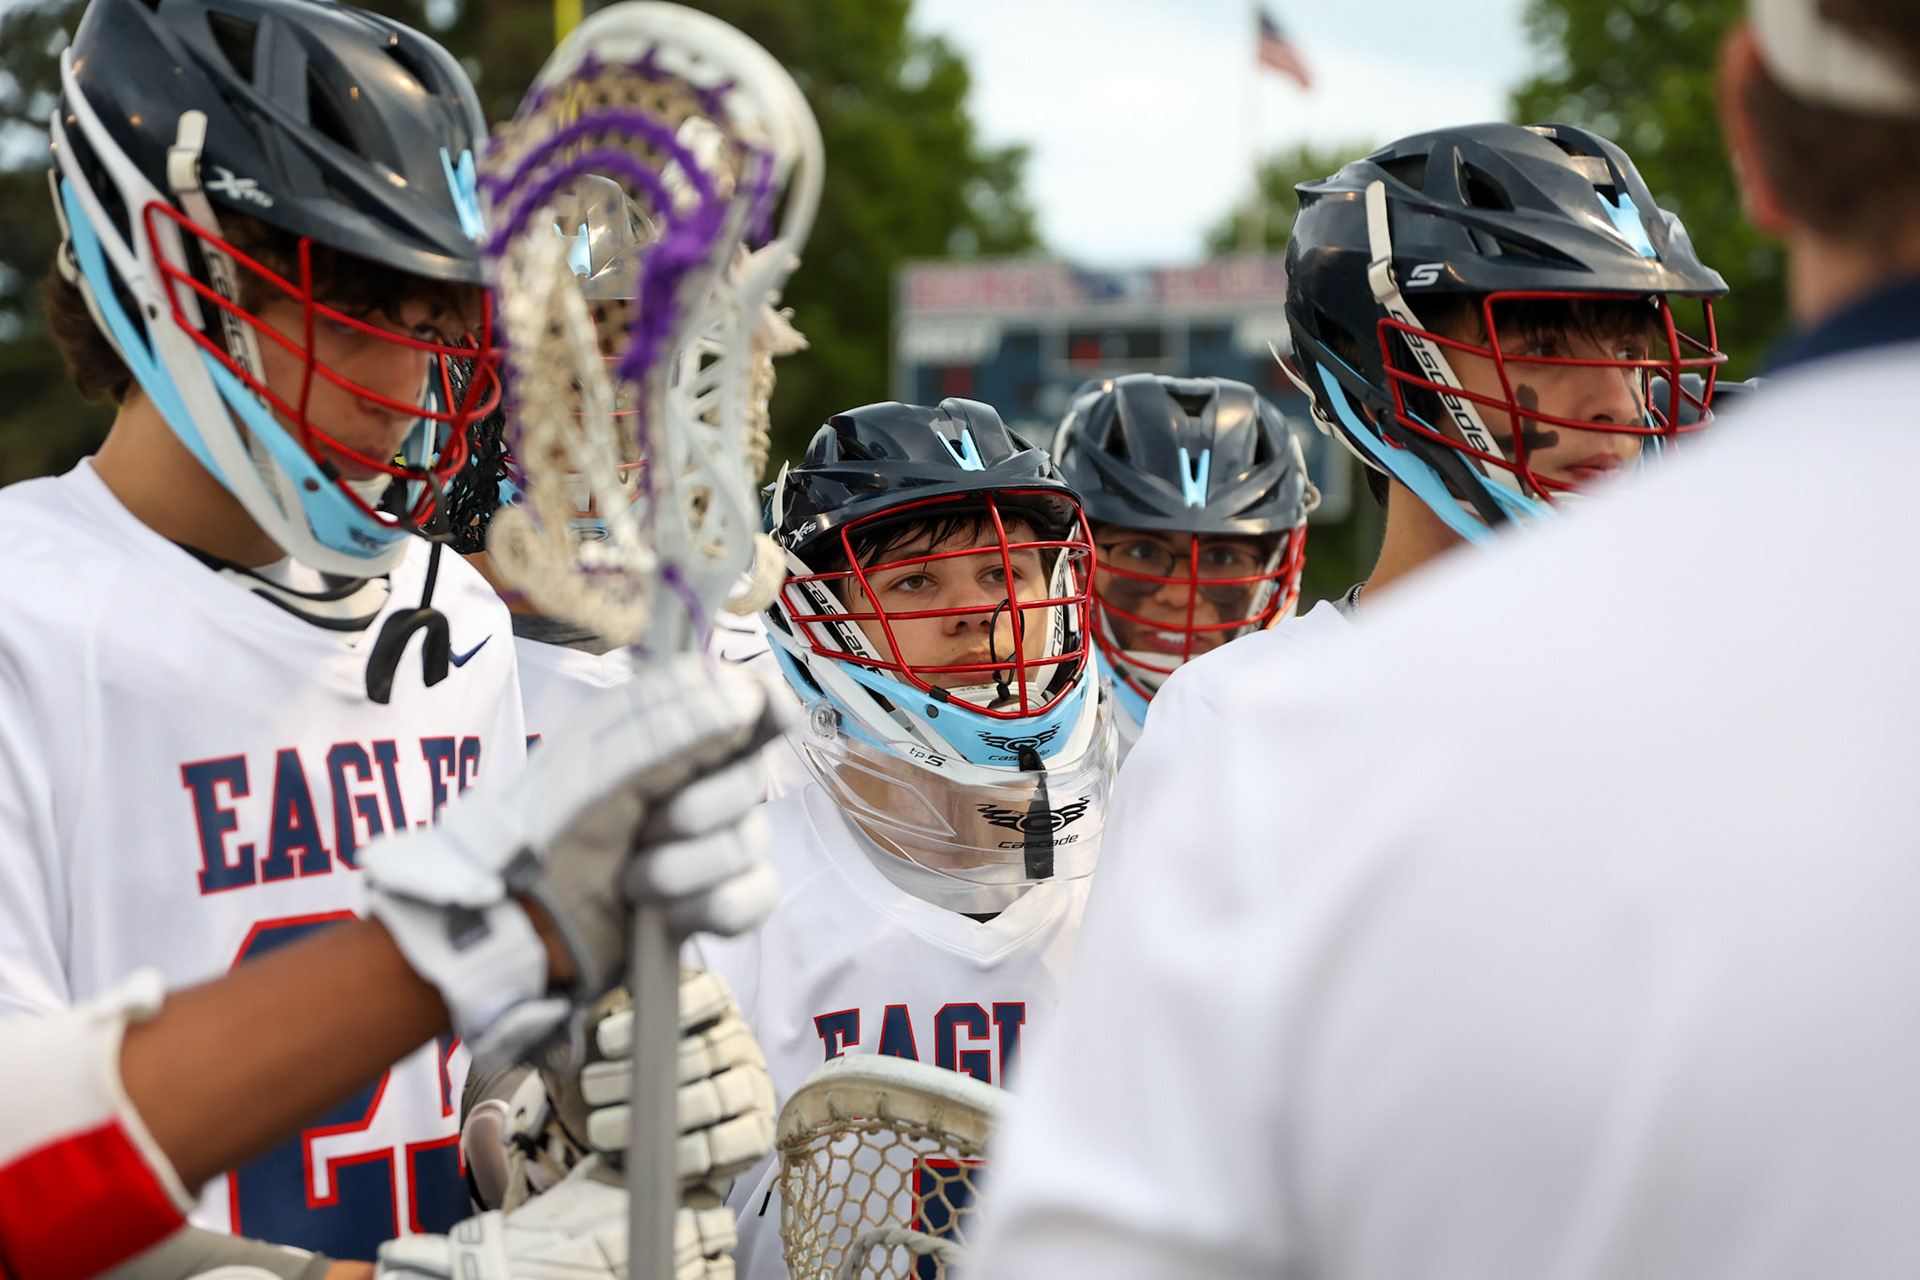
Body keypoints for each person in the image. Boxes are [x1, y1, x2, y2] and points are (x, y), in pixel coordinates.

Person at [969, 4, 1920, 1277]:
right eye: (1536, 333)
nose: (1608, 391)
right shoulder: (1237, 718)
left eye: (1633, 332)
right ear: (1378, 357)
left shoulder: (1750, 657)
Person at [7, 0, 520, 1260]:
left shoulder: (455, 617)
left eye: (428, 319)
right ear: (162, 268)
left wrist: (537, 1113)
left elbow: (485, 1039)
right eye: (352, 315)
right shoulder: (25, 614)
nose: (403, 391)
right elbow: (25, 1181)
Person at [0, 654, 780, 1280]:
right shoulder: (32, 596)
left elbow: (464, 1050)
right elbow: (23, 1181)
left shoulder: (461, 615)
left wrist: (521, 1131)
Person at [688, 398, 1114, 1278]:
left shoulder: (1147, 866)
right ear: (821, 621)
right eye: (917, 581)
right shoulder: (729, 896)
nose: (976, 613)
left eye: (1005, 575)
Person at [1277, 120, 1725, 629]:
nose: (1620, 406)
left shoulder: (1704, 669)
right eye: (1543, 349)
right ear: (1382, 377)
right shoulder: (1237, 703)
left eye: (1628, 353)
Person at [1050, 374, 1313, 758]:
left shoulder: (1328, 739)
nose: (1178, 596)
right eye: (1142, 551)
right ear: (1073, 553)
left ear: (1280, 559)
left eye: (1221, 557)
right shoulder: (1011, 747)